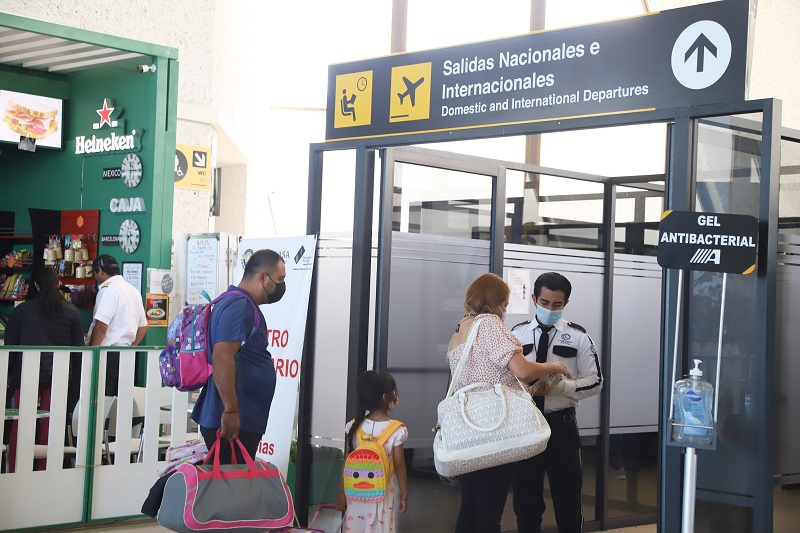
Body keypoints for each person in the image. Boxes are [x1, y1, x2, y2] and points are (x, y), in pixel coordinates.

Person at [447, 273, 571, 533]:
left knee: (470, 507)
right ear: (491, 302)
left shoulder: (459, 330)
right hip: (495, 428)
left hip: (469, 432)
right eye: (503, 304)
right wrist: (553, 366)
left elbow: (482, 376)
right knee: (491, 510)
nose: (503, 311)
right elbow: (523, 370)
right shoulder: (489, 324)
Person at [510, 272, 603, 533]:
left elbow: (596, 381)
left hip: (561, 427)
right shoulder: (515, 335)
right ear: (534, 299)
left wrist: (565, 387)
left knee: (568, 501)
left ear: (566, 303)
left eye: (557, 305)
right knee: (526, 502)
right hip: (525, 427)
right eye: (545, 302)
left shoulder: (578, 337)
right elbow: (504, 377)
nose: (550, 309)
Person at [191, 249, 286, 464]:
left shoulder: (236, 303)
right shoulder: (238, 306)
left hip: (239, 418)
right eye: (280, 279)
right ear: (263, 277)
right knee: (230, 492)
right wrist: (231, 410)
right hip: (231, 422)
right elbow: (222, 357)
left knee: (233, 490)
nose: (281, 285)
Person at [5, 267, 85, 471]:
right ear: (58, 284)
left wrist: (10, 376)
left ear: (36, 285)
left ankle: (15, 470)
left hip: (26, 375)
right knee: (51, 424)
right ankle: (46, 471)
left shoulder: (21, 311)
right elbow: (78, 350)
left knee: (21, 424)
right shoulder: (71, 311)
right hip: (58, 375)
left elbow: (11, 347)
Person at [335, 370, 409, 533]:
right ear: (385, 397)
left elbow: (347, 464)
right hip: (382, 494)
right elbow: (399, 465)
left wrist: (341, 493)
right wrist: (404, 495)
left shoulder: (354, 426)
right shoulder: (396, 430)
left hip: (355, 494)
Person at [87, 254, 148, 395]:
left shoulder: (107, 290)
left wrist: (92, 353)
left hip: (106, 354)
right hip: (127, 354)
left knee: (102, 397)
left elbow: (102, 326)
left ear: (101, 271)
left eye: (95, 273)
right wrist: (131, 347)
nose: (95, 277)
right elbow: (143, 327)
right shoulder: (133, 291)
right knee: (121, 400)